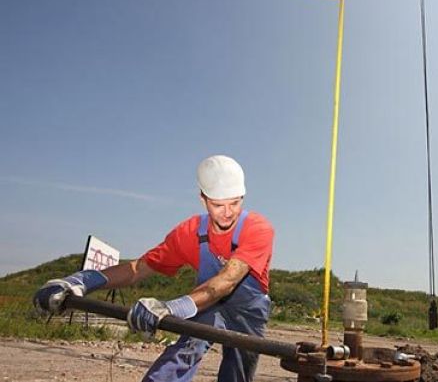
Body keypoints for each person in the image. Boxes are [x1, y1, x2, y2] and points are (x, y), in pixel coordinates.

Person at [33, 155, 274, 382]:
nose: (228, 213)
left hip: (248, 311)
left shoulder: (258, 228)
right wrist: (81, 280)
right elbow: (137, 268)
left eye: (235, 203)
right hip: (206, 302)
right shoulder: (189, 233)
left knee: (238, 371)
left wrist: (171, 308)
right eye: (218, 205)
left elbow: (227, 281)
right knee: (186, 349)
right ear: (203, 198)